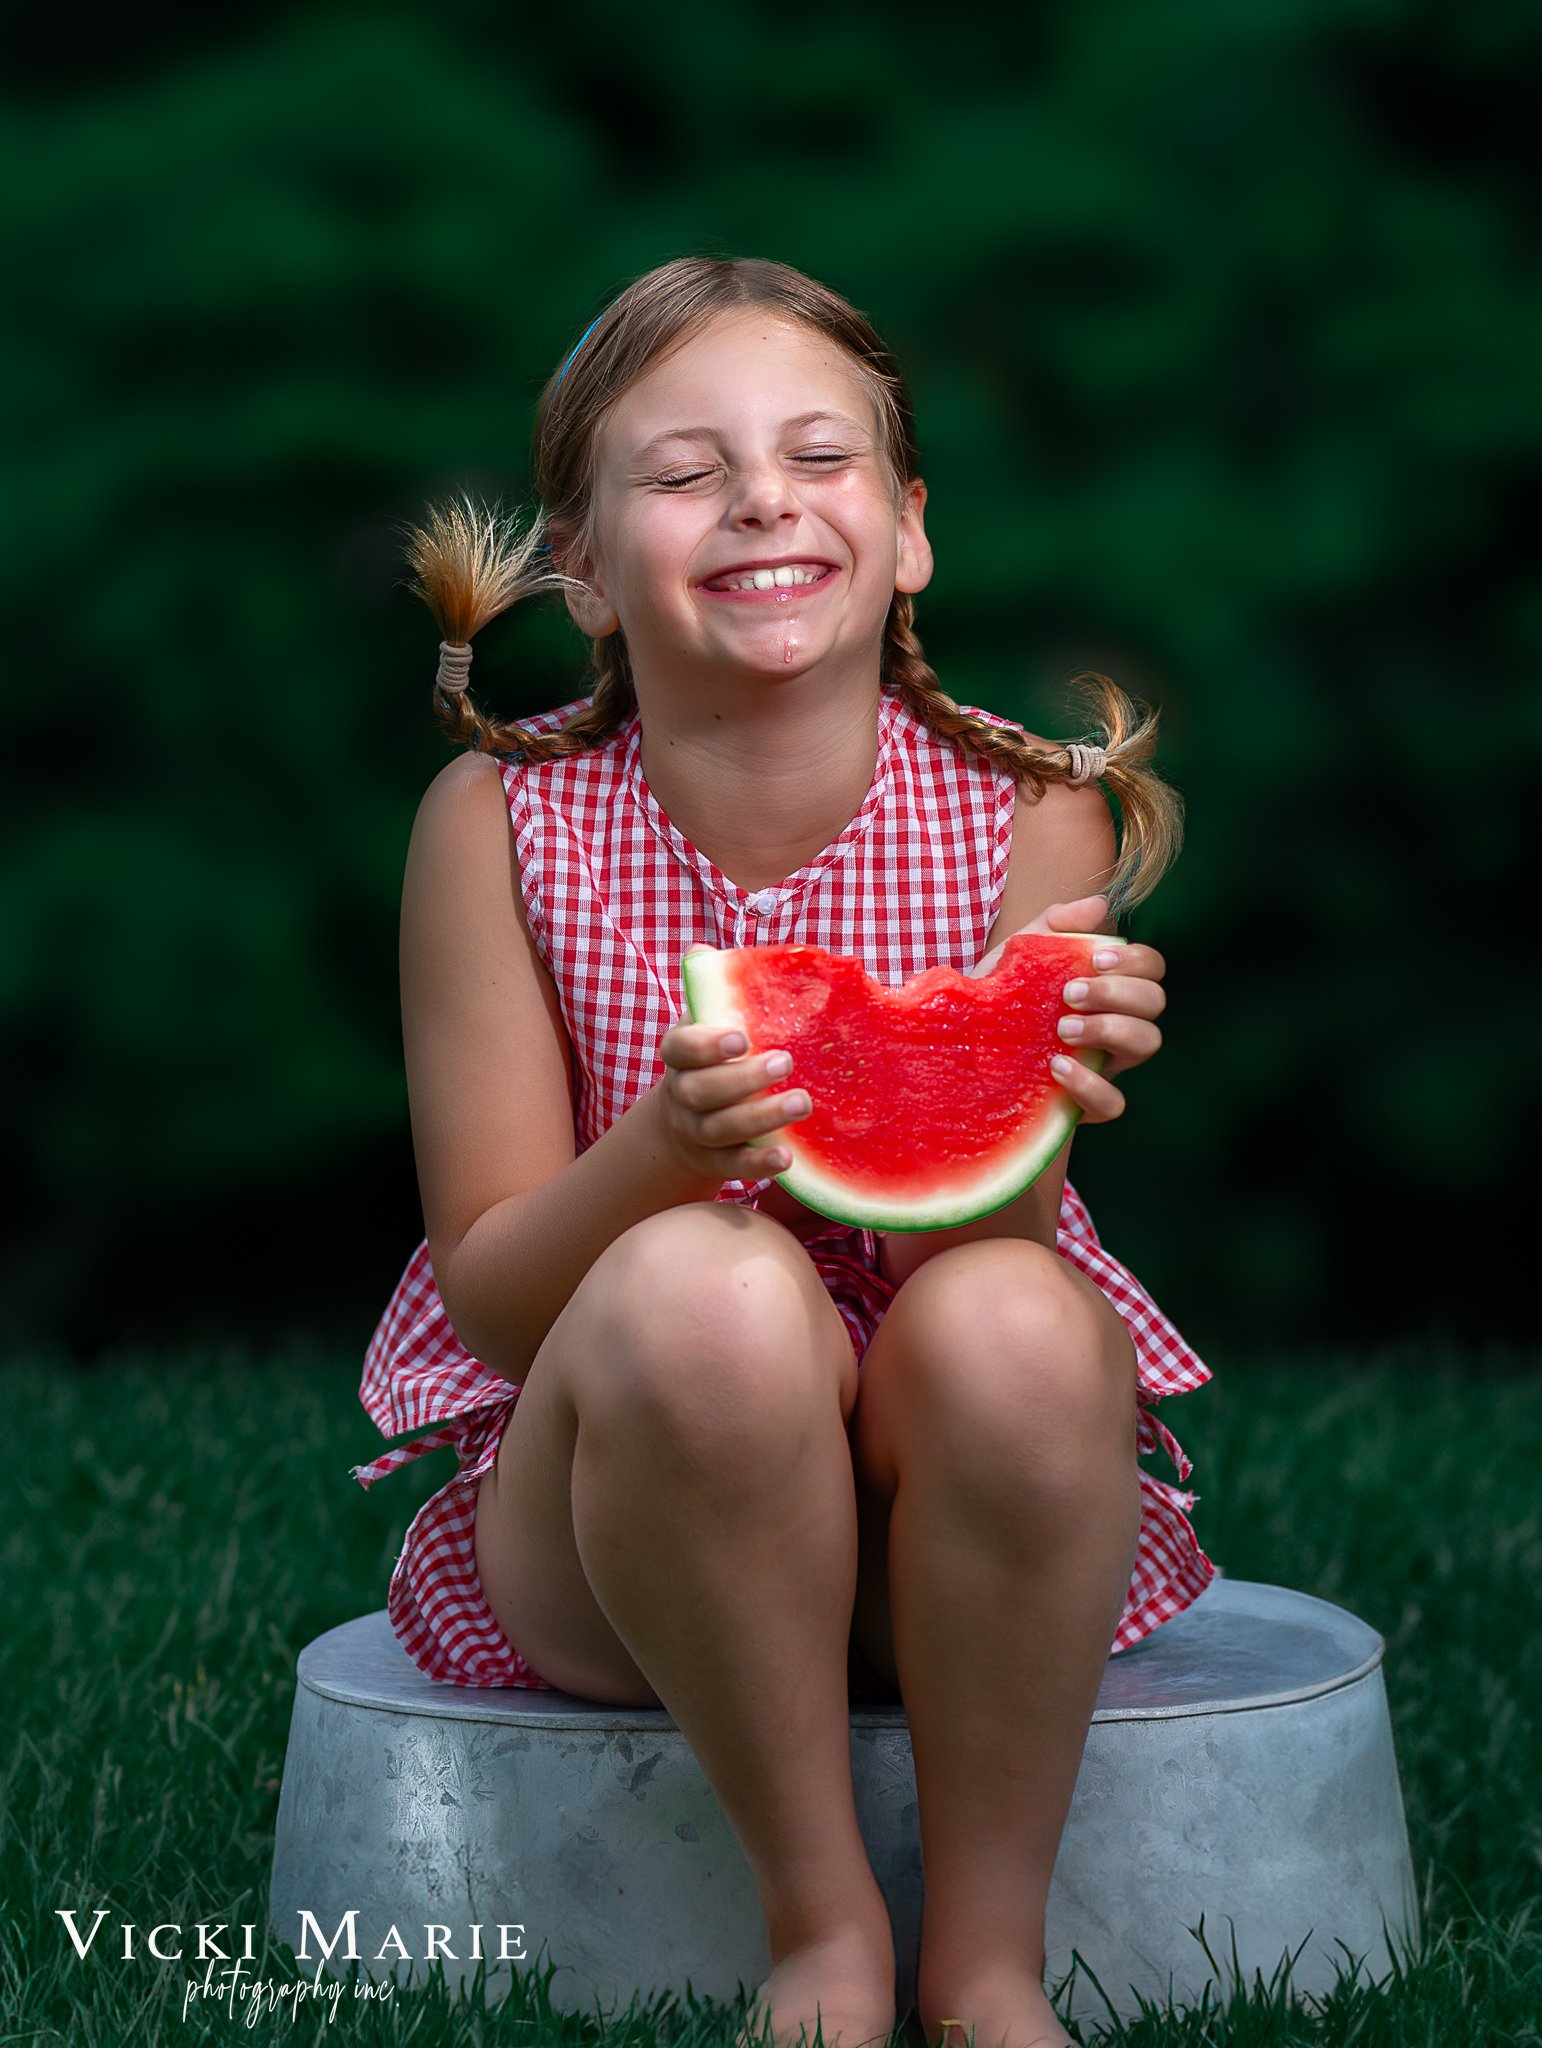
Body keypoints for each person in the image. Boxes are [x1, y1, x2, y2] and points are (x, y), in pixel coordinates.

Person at [350, 255, 1216, 2048]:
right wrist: (662, 1153)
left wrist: (1020, 1083)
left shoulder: (1026, 815)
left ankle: (984, 1966)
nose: (760, 497)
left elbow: (980, 1255)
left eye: (819, 458)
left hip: (939, 1543)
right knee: (706, 1289)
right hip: (619, 1518)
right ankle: (820, 1931)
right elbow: (503, 1302)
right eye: (683, 473)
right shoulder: (496, 830)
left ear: (905, 533)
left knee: (1019, 1324)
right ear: (580, 570)